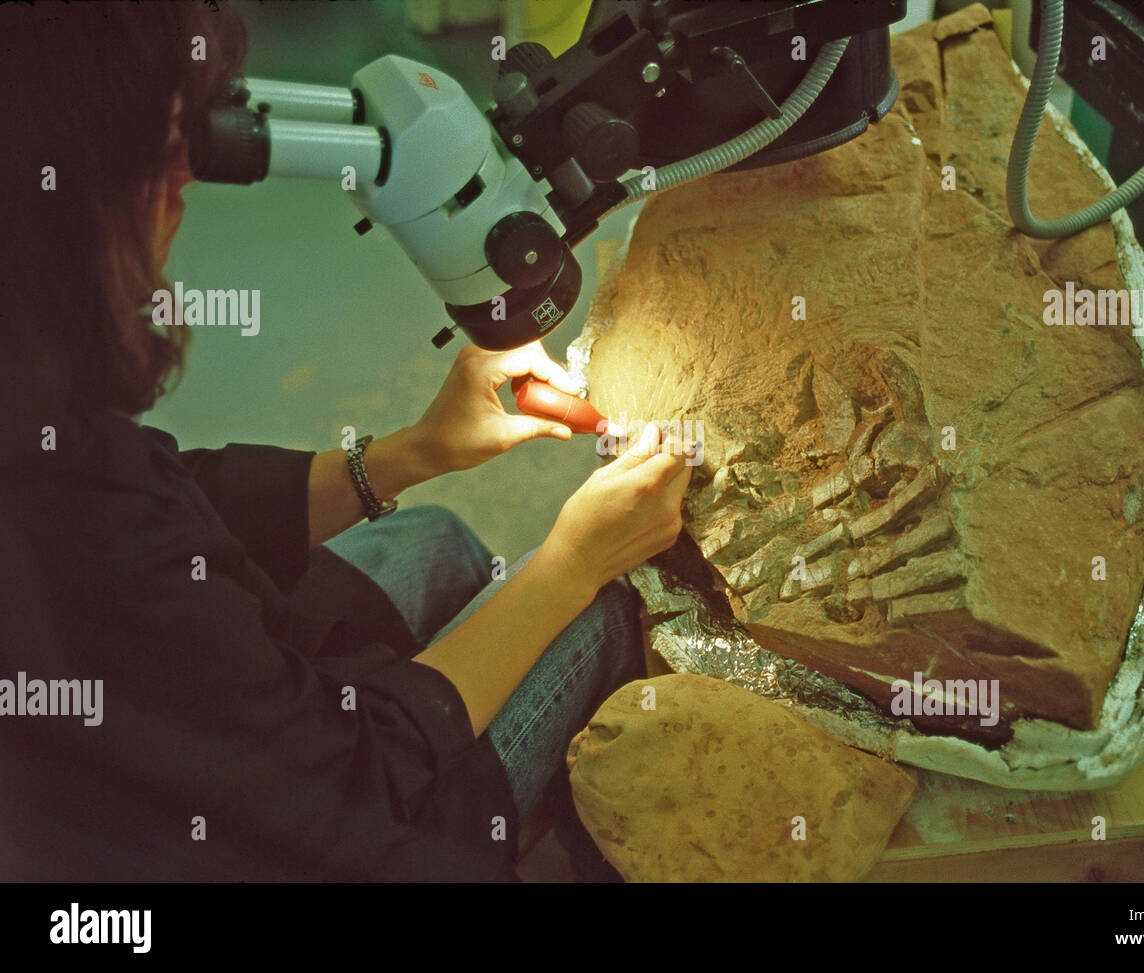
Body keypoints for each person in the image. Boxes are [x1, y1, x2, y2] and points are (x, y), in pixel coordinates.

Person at [0, 2, 690, 881]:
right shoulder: (91, 531)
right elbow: (358, 779)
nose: (184, 184)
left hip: (165, 728)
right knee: (598, 617)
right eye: (164, 157)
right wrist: (572, 564)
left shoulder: (45, 430)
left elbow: (183, 500)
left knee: (439, 540)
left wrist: (414, 450)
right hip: (263, 830)